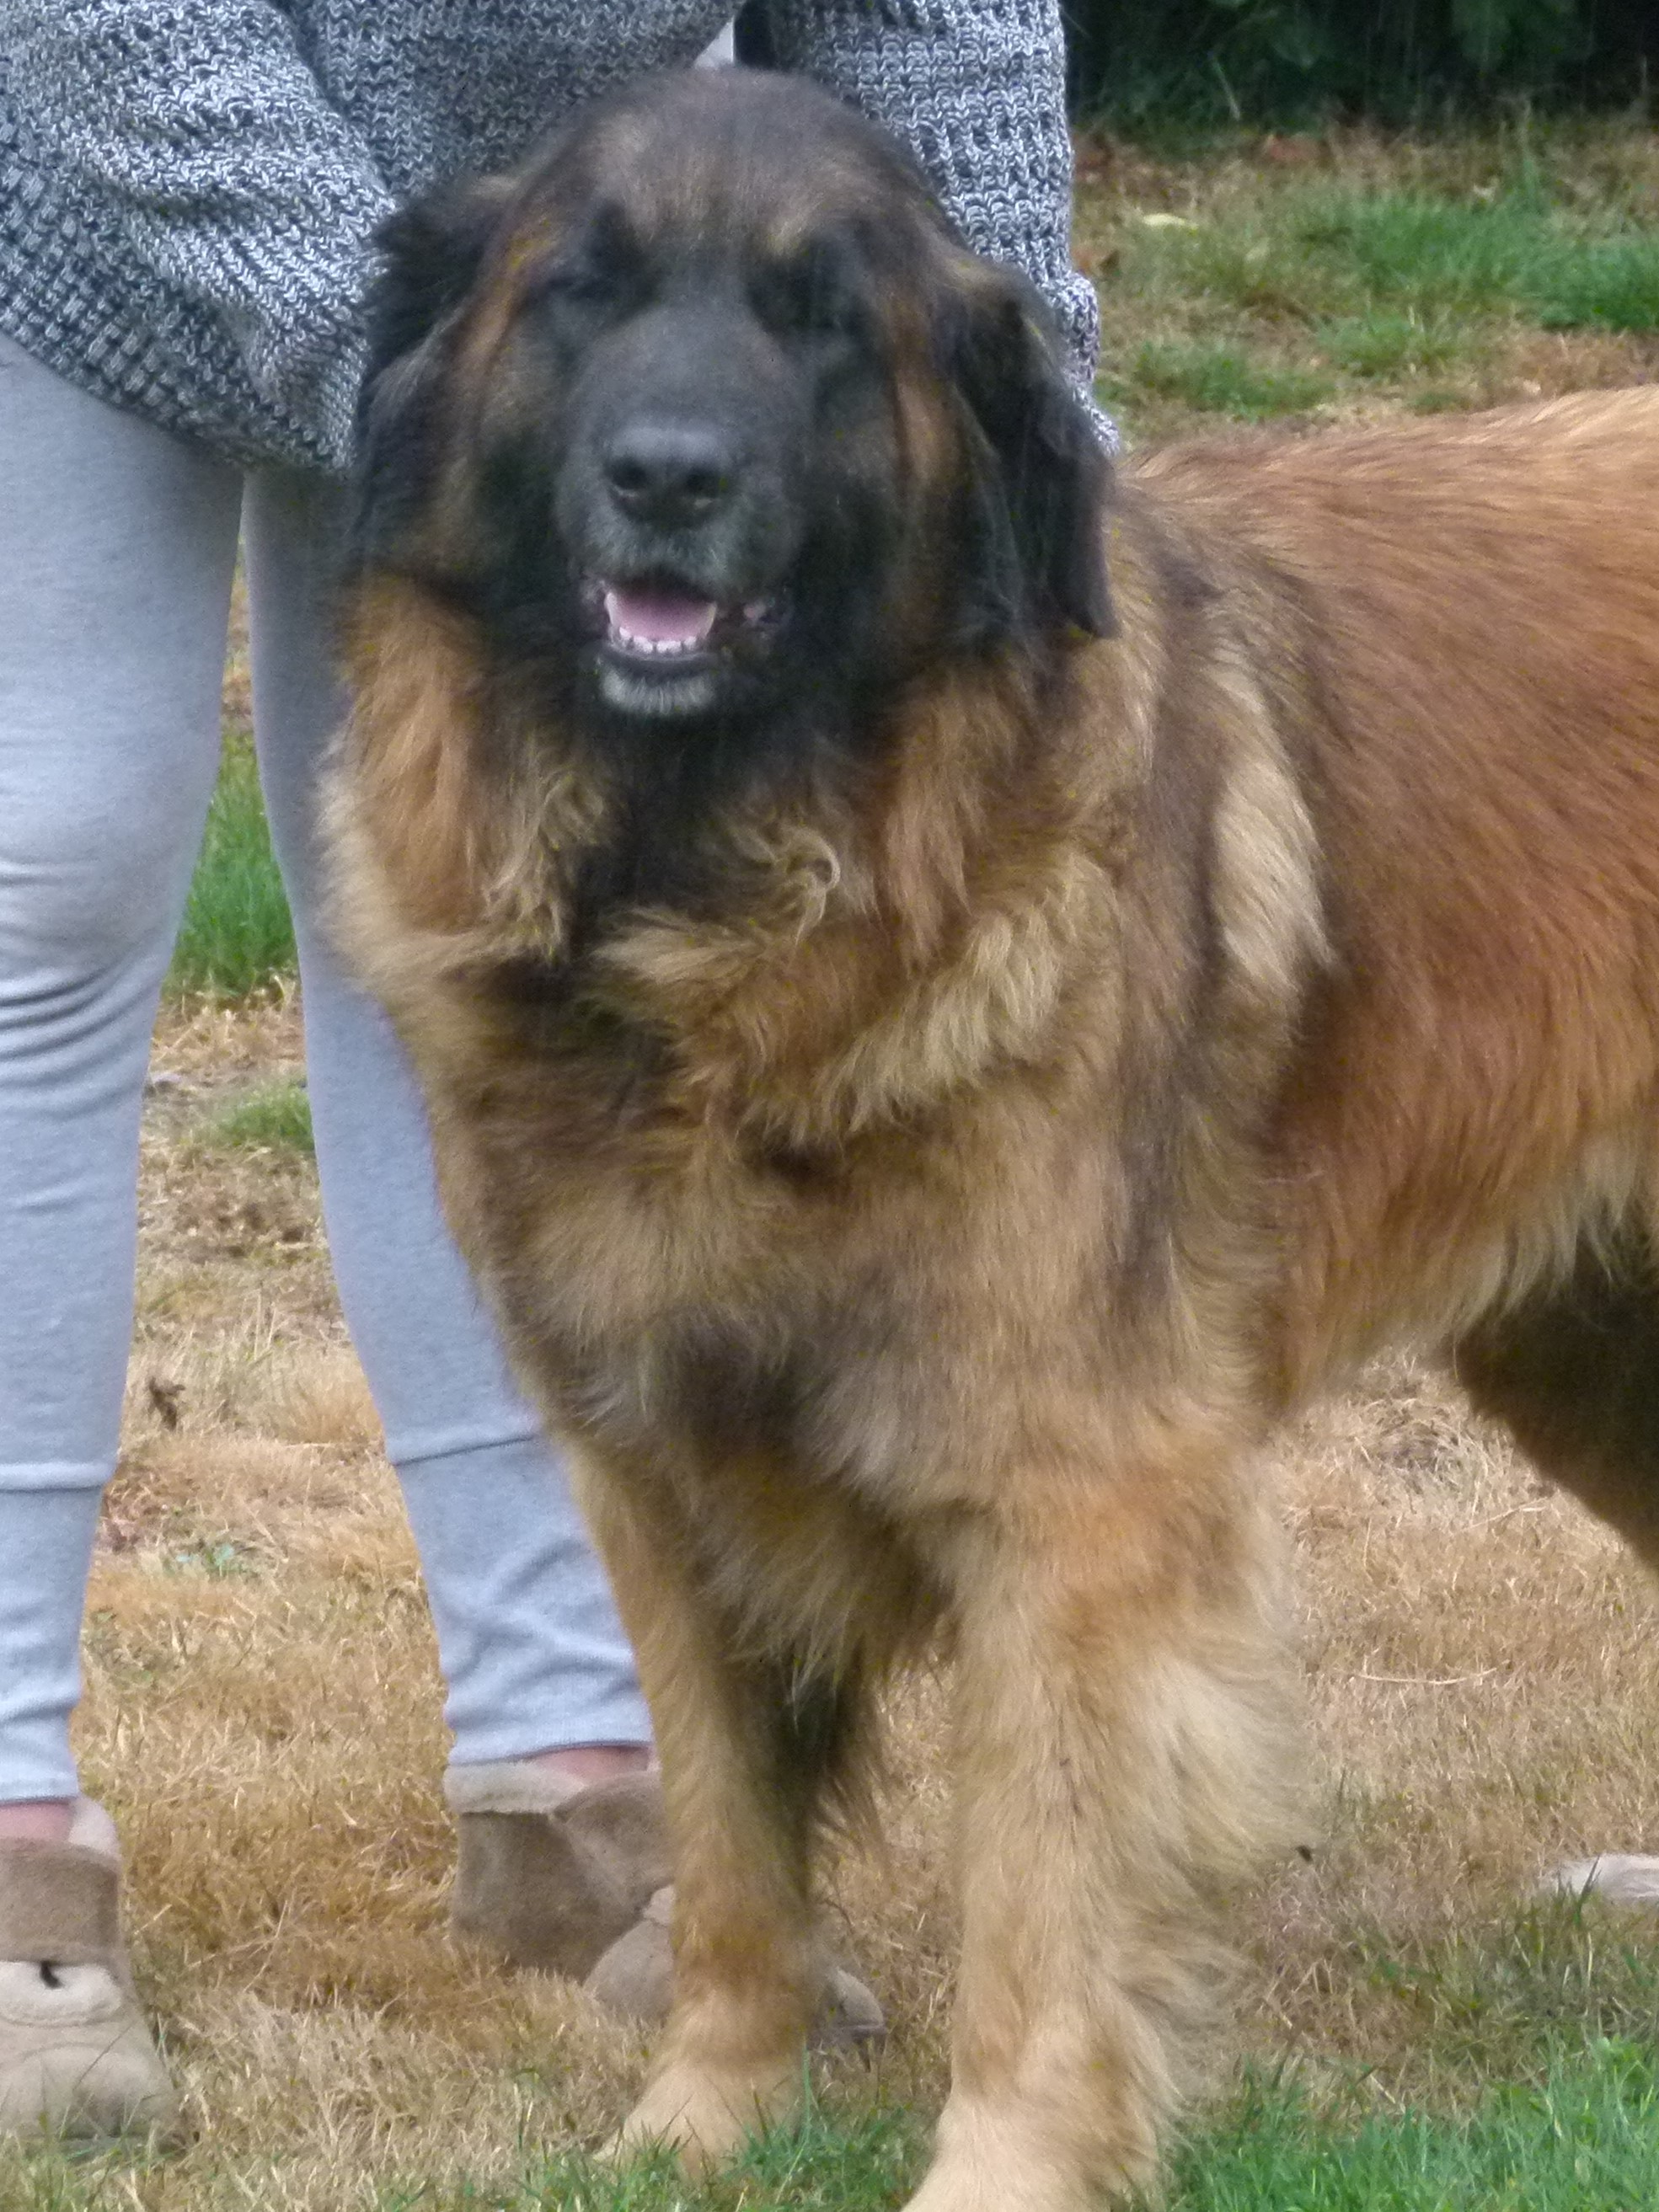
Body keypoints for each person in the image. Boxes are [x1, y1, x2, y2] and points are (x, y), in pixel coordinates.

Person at [0, 0, 1100, 2140]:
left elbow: (935, 41)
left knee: (491, 925)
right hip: (100, 195)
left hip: (599, 278)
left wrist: (1032, 417)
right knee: (40, 863)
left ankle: (569, 1761)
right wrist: (455, 380)